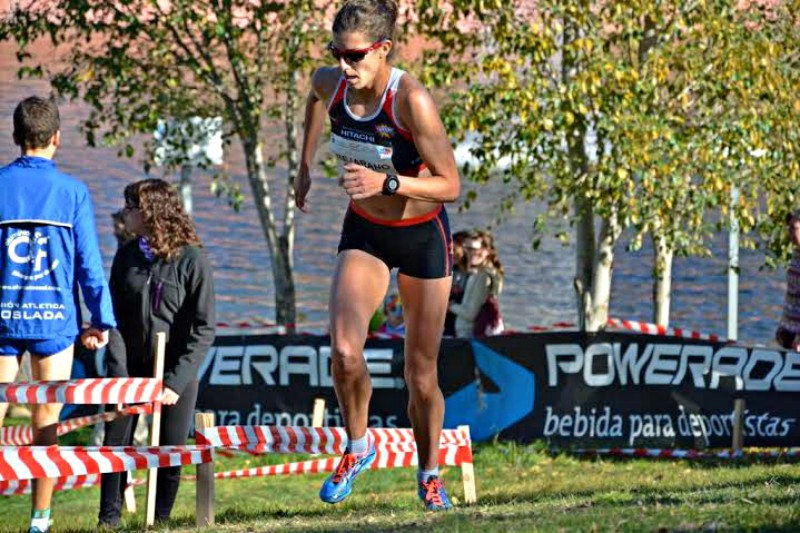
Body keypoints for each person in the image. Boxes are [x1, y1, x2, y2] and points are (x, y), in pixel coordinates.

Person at [295, 0, 460, 511]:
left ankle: (430, 474)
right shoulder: (333, 82)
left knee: (420, 373)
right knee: (344, 351)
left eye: (356, 57)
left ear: (383, 49)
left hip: (421, 234)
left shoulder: (411, 100)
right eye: (337, 54)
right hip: (365, 230)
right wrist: (303, 164)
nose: (345, 67)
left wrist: (388, 180)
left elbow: (450, 184)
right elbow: (314, 100)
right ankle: (358, 446)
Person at [0, 95, 116, 533]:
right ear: (56, 139)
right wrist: (99, 319)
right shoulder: (72, 193)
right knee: (45, 419)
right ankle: (40, 521)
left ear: (15, 137)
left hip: (3, 318)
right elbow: (88, 262)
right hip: (54, 321)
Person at [94, 179, 216, 527]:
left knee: (170, 449)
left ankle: (161, 521)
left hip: (175, 373)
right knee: (115, 445)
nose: (124, 214)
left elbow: (204, 327)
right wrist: (117, 378)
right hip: (129, 370)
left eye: (130, 207)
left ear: (150, 212)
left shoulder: (192, 260)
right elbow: (113, 317)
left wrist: (175, 382)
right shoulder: (127, 256)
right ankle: (108, 520)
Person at [448, 230, 504, 338]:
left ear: (486, 251)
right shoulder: (476, 274)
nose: (471, 254)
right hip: (466, 334)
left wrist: (450, 306)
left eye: (475, 249)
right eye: (467, 249)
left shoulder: (484, 276)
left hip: (471, 335)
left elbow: (470, 314)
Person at [776, 211, 800, 350]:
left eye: (794, 228)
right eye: (789, 228)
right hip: (789, 328)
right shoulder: (796, 253)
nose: (790, 233)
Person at [444, 230, 469, 337]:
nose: (450, 253)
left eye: (454, 250)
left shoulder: (473, 275)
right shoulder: (452, 270)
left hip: (464, 324)